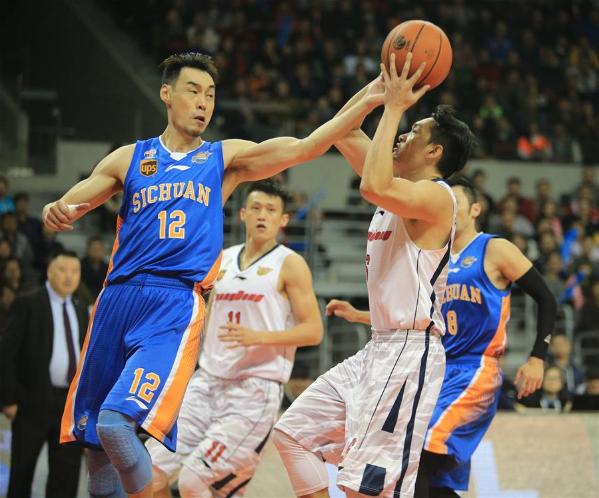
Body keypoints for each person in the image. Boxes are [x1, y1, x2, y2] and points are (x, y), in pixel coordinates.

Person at [41, 52, 382, 498]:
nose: (204, 102)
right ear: (167, 94)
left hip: (171, 303)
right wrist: (59, 208)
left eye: (211, 94)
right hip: (115, 299)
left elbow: (305, 146)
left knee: (115, 427)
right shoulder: (131, 157)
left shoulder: (223, 158)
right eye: (193, 91)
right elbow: (78, 198)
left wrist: (372, 94)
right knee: (96, 449)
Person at [273, 52, 476, 498]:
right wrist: (377, 91)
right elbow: (343, 129)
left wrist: (395, 107)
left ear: (434, 152)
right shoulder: (398, 187)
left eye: (415, 132)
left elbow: (372, 186)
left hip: (409, 354)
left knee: (367, 489)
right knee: (293, 433)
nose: (402, 134)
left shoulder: (437, 198)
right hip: (377, 348)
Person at [325, 176, 557, 498]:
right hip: (435, 367)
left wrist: (537, 358)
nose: (449, 209)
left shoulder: (495, 249)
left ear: (476, 209)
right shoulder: (435, 255)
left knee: (418, 447)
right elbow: (419, 315)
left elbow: (547, 298)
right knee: (434, 481)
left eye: (455, 203)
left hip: (474, 369)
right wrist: (360, 315)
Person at [148, 180, 323, 498]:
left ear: (283, 219)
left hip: (253, 390)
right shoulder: (223, 259)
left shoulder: (290, 264)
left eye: (271, 210)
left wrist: (259, 337)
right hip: (206, 383)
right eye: (256, 208)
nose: (262, 215)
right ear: (243, 214)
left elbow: (313, 330)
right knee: (148, 473)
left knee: (194, 483)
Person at [0, 251, 88, 498]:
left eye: (75, 271)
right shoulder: (27, 303)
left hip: (68, 405)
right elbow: (7, 354)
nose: (69, 276)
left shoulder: (81, 308)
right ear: (49, 271)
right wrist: (8, 400)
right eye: (63, 270)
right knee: (22, 470)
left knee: (66, 474)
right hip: (31, 401)